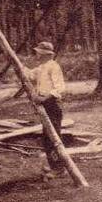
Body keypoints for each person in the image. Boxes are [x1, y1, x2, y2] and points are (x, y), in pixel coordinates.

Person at [22, 41, 66, 178]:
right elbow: (29, 75)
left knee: (53, 137)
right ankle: (54, 165)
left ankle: (59, 169)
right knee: (47, 138)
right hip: (45, 104)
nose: (36, 54)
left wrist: (44, 98)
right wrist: (17, 64)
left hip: (52, 104)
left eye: (38, 52)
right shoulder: (42, 67)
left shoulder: (54, 67)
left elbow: (60, 88)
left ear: (45, 54)